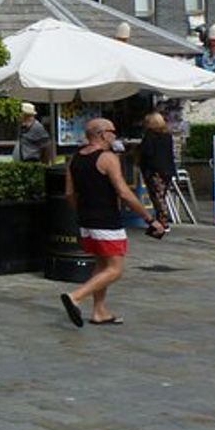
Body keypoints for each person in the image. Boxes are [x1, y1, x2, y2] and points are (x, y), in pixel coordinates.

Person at [59, 117, 165, 328]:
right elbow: (123, 192)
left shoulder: (75, 158)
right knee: (115, 269)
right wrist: (149, 218)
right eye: (113, 131)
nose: (115, 136)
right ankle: (76, 297)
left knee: (101, 264)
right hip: (106, 220)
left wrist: (80, 213)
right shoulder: (107, 158)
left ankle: (99, 311)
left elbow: (69, 193)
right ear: (102, 134)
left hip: (86, 220)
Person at [137, 112, 177, 232]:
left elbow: (147, 152)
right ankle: (161, 221)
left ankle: (162, 223)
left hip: (154, 170)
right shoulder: (167, 136)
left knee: (157, 197)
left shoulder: (149, 136)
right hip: (167, 169)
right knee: (161, 195)